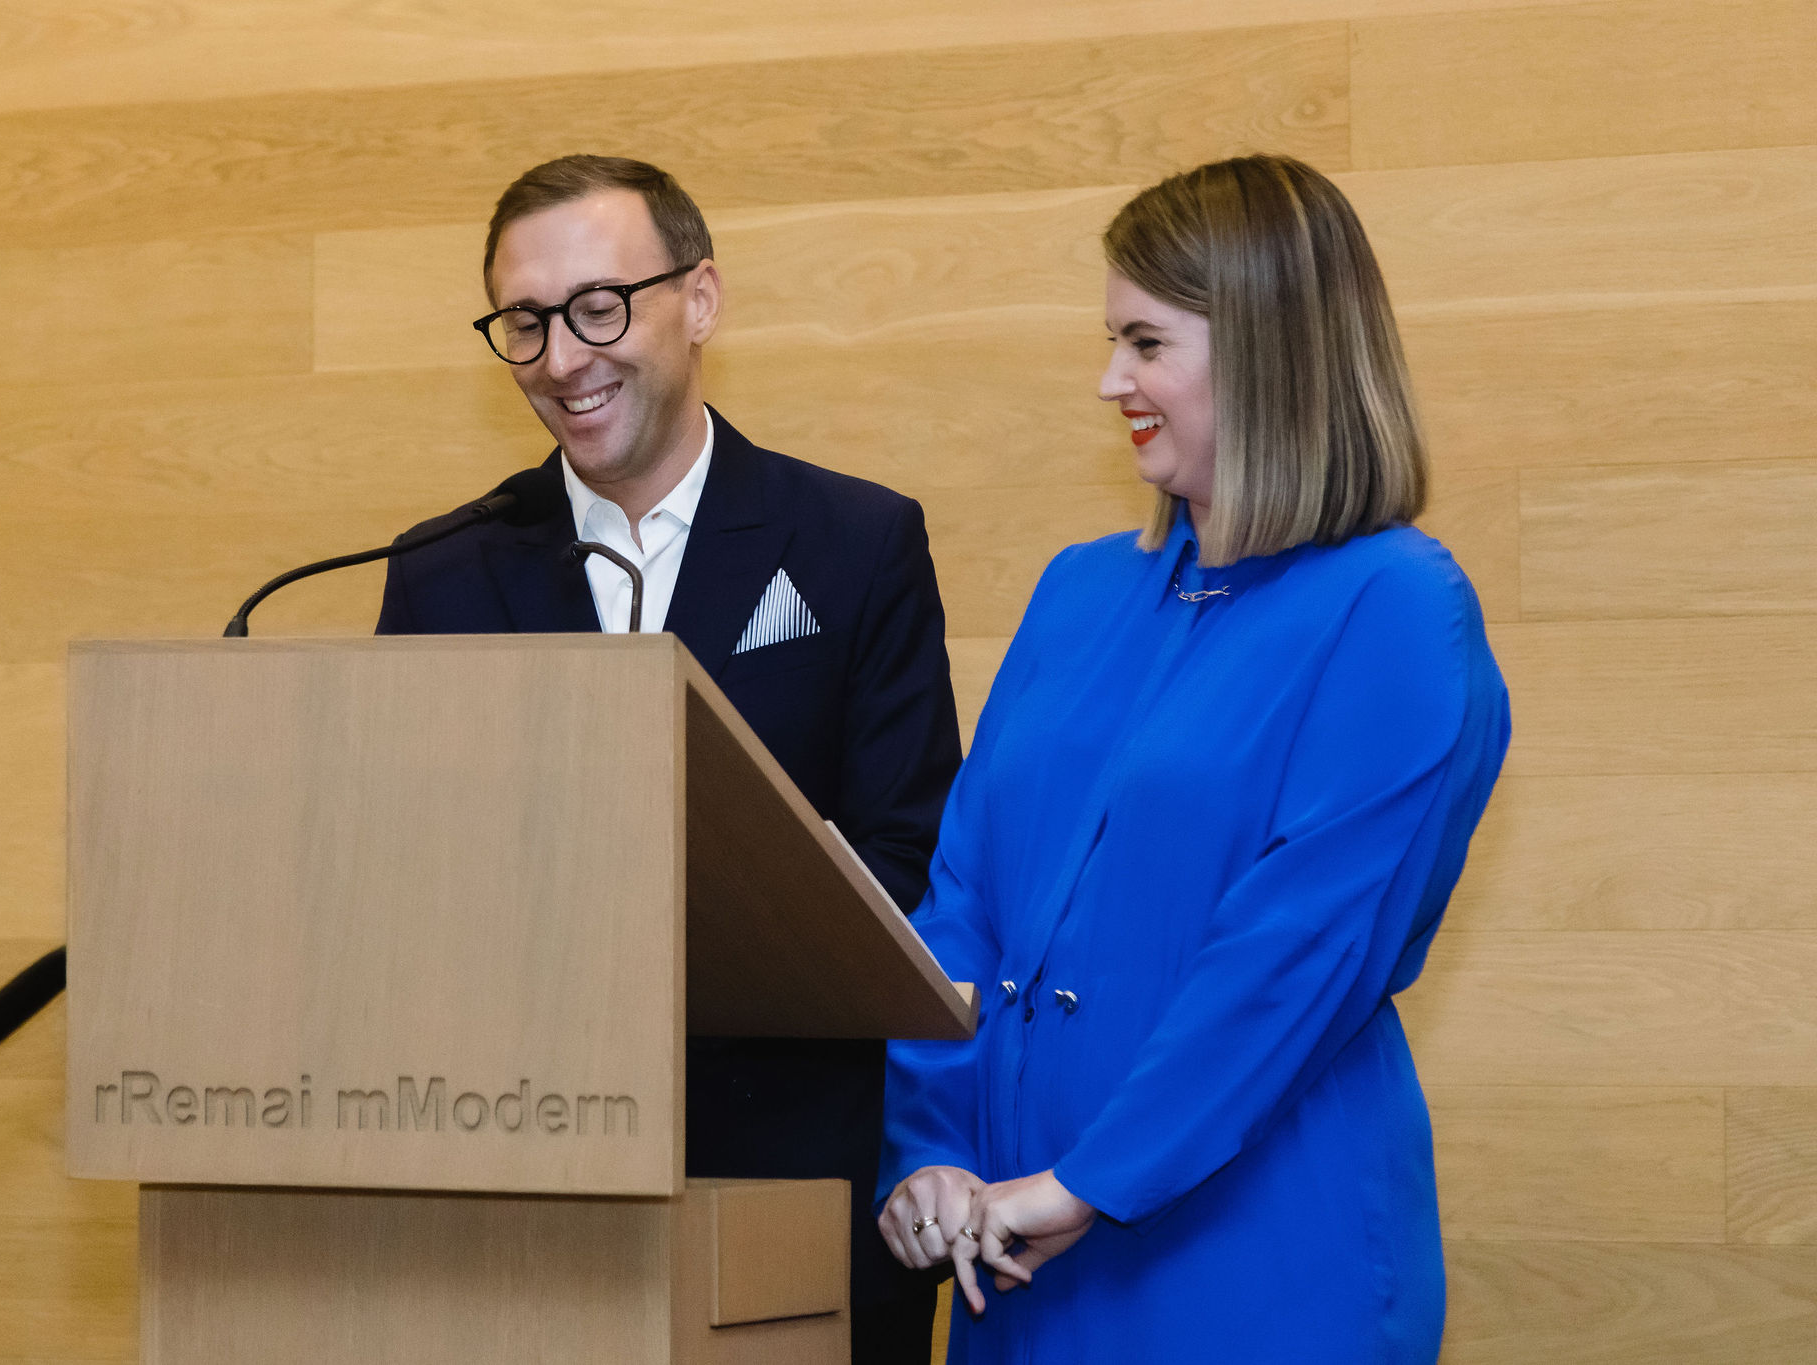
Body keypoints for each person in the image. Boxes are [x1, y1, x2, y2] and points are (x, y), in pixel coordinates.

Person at [875, 154, 1510, 1361]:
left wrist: (1077, 1187)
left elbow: (1295, 957)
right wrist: (932, 1154)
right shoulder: (1076, 591)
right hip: (1011, 1257)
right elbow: (958, 904)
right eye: (1111, 340)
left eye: (1145, 343)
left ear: (1267, 349)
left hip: (1253, 1262)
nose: (1110, 380)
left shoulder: (1393, 606)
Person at [377, 154, 961, 1361]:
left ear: (697, 300)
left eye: (599, 307)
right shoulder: (444, 571)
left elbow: (912, 856)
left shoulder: (855, 541)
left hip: (792, 1183)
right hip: (521, 1198)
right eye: (524, 322)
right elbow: (399, 885)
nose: (560, 357)